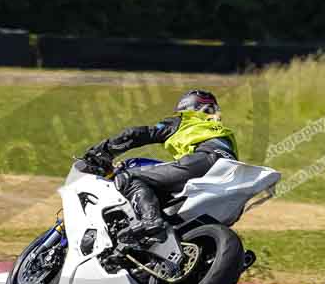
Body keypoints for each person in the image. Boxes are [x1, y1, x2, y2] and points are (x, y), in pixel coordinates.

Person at [83, 89, 238, 239]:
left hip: (202, 161)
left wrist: (103, 151)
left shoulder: (185, 120)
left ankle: (150, 219)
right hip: (229, 172)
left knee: (129, 178)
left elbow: (136, 134)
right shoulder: (222, 131)